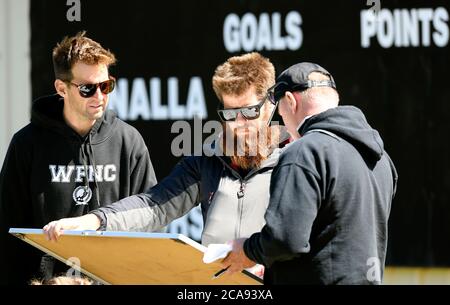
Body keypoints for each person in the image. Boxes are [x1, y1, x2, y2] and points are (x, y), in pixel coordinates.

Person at [42, 53, 289, 277]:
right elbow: (154, 206)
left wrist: (268, 262)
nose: (238, 123)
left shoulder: (294, 159)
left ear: (270, 106)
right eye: (229, 114)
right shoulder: (207, 161)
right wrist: (92, 222)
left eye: (248, 112)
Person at [0, 31, 157, 285]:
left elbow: (149, 220)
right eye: (87, 89)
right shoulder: (27, 144)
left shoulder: (129, 142)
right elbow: (8, 232)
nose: (99, 96)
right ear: (61, 88)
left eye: (106, 86)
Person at [222, 62, 398, 284]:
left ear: (290, 101)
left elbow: (285, 240)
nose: (283, 121)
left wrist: (246, 251)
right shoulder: (381, 159)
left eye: (281, 112)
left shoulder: (303, 152)